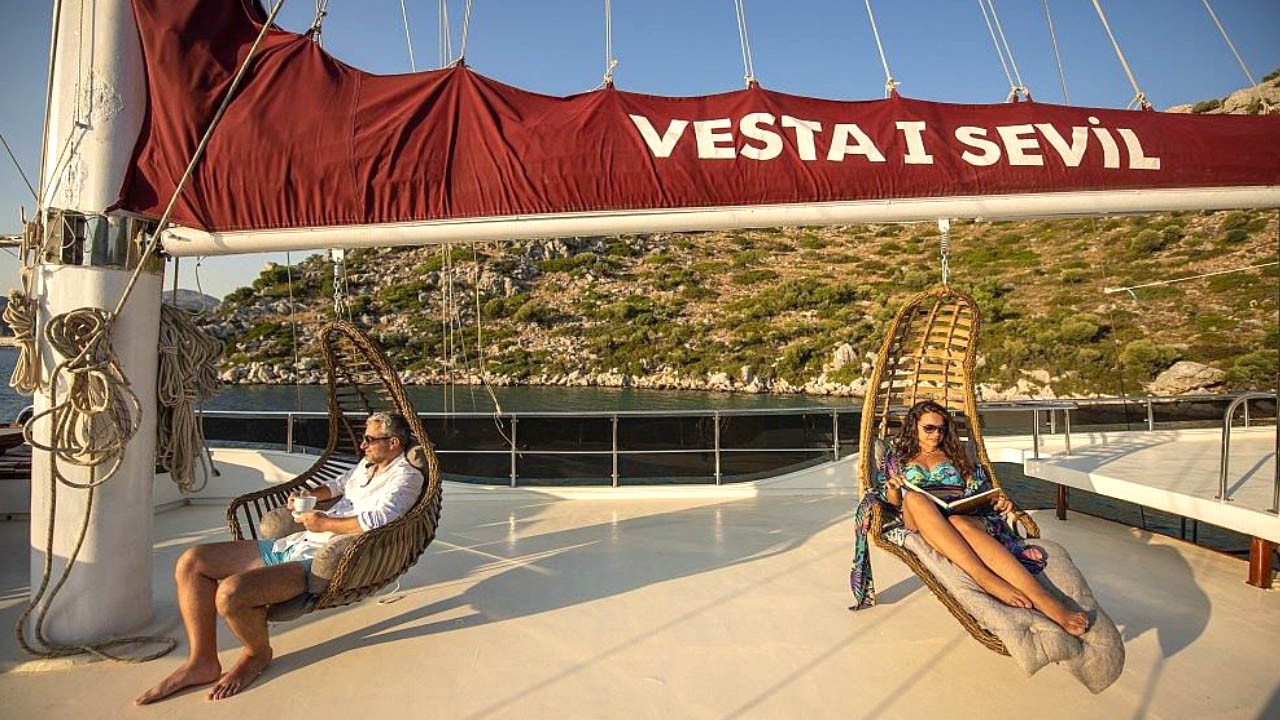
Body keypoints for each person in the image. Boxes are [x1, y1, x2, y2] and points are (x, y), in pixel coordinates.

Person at [136, 411, 425, 704]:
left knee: (230, 594)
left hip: (319, 559)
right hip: (296, 543)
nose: (362, 445)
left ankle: (257, 654)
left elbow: (383, 519)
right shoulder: (368, 465)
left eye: (369, 439)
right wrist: (309, 494)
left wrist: (325, 523)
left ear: (393, 442)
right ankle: (202, 661)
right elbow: (338, 485)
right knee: (192, 561)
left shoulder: (406, 477)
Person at [849, 400, 1088, 636]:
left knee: (958, 522)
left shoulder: (956, 454)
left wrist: (997, 502)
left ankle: (1045, 600)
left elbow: (980, 488)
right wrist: (893, 487)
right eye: (929, 428)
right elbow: (892, 503)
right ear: (914, 427)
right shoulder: (897, 457)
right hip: (921, 516)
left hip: (961, 513)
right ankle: (983, 577)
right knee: (914, 498)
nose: (936, 435)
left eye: (941, 429)